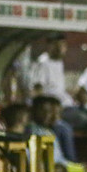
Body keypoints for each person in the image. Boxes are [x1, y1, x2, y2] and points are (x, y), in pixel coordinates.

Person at [27, 32, 78, 163]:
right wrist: (46, 112)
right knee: (65, 128)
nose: (61, 49)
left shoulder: (59, 63)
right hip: (53, 111)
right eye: (57, 45)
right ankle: (71, 164)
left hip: (66, 107)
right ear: (49, 46)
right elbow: (37, 91)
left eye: (63, 45)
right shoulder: (43, 63)